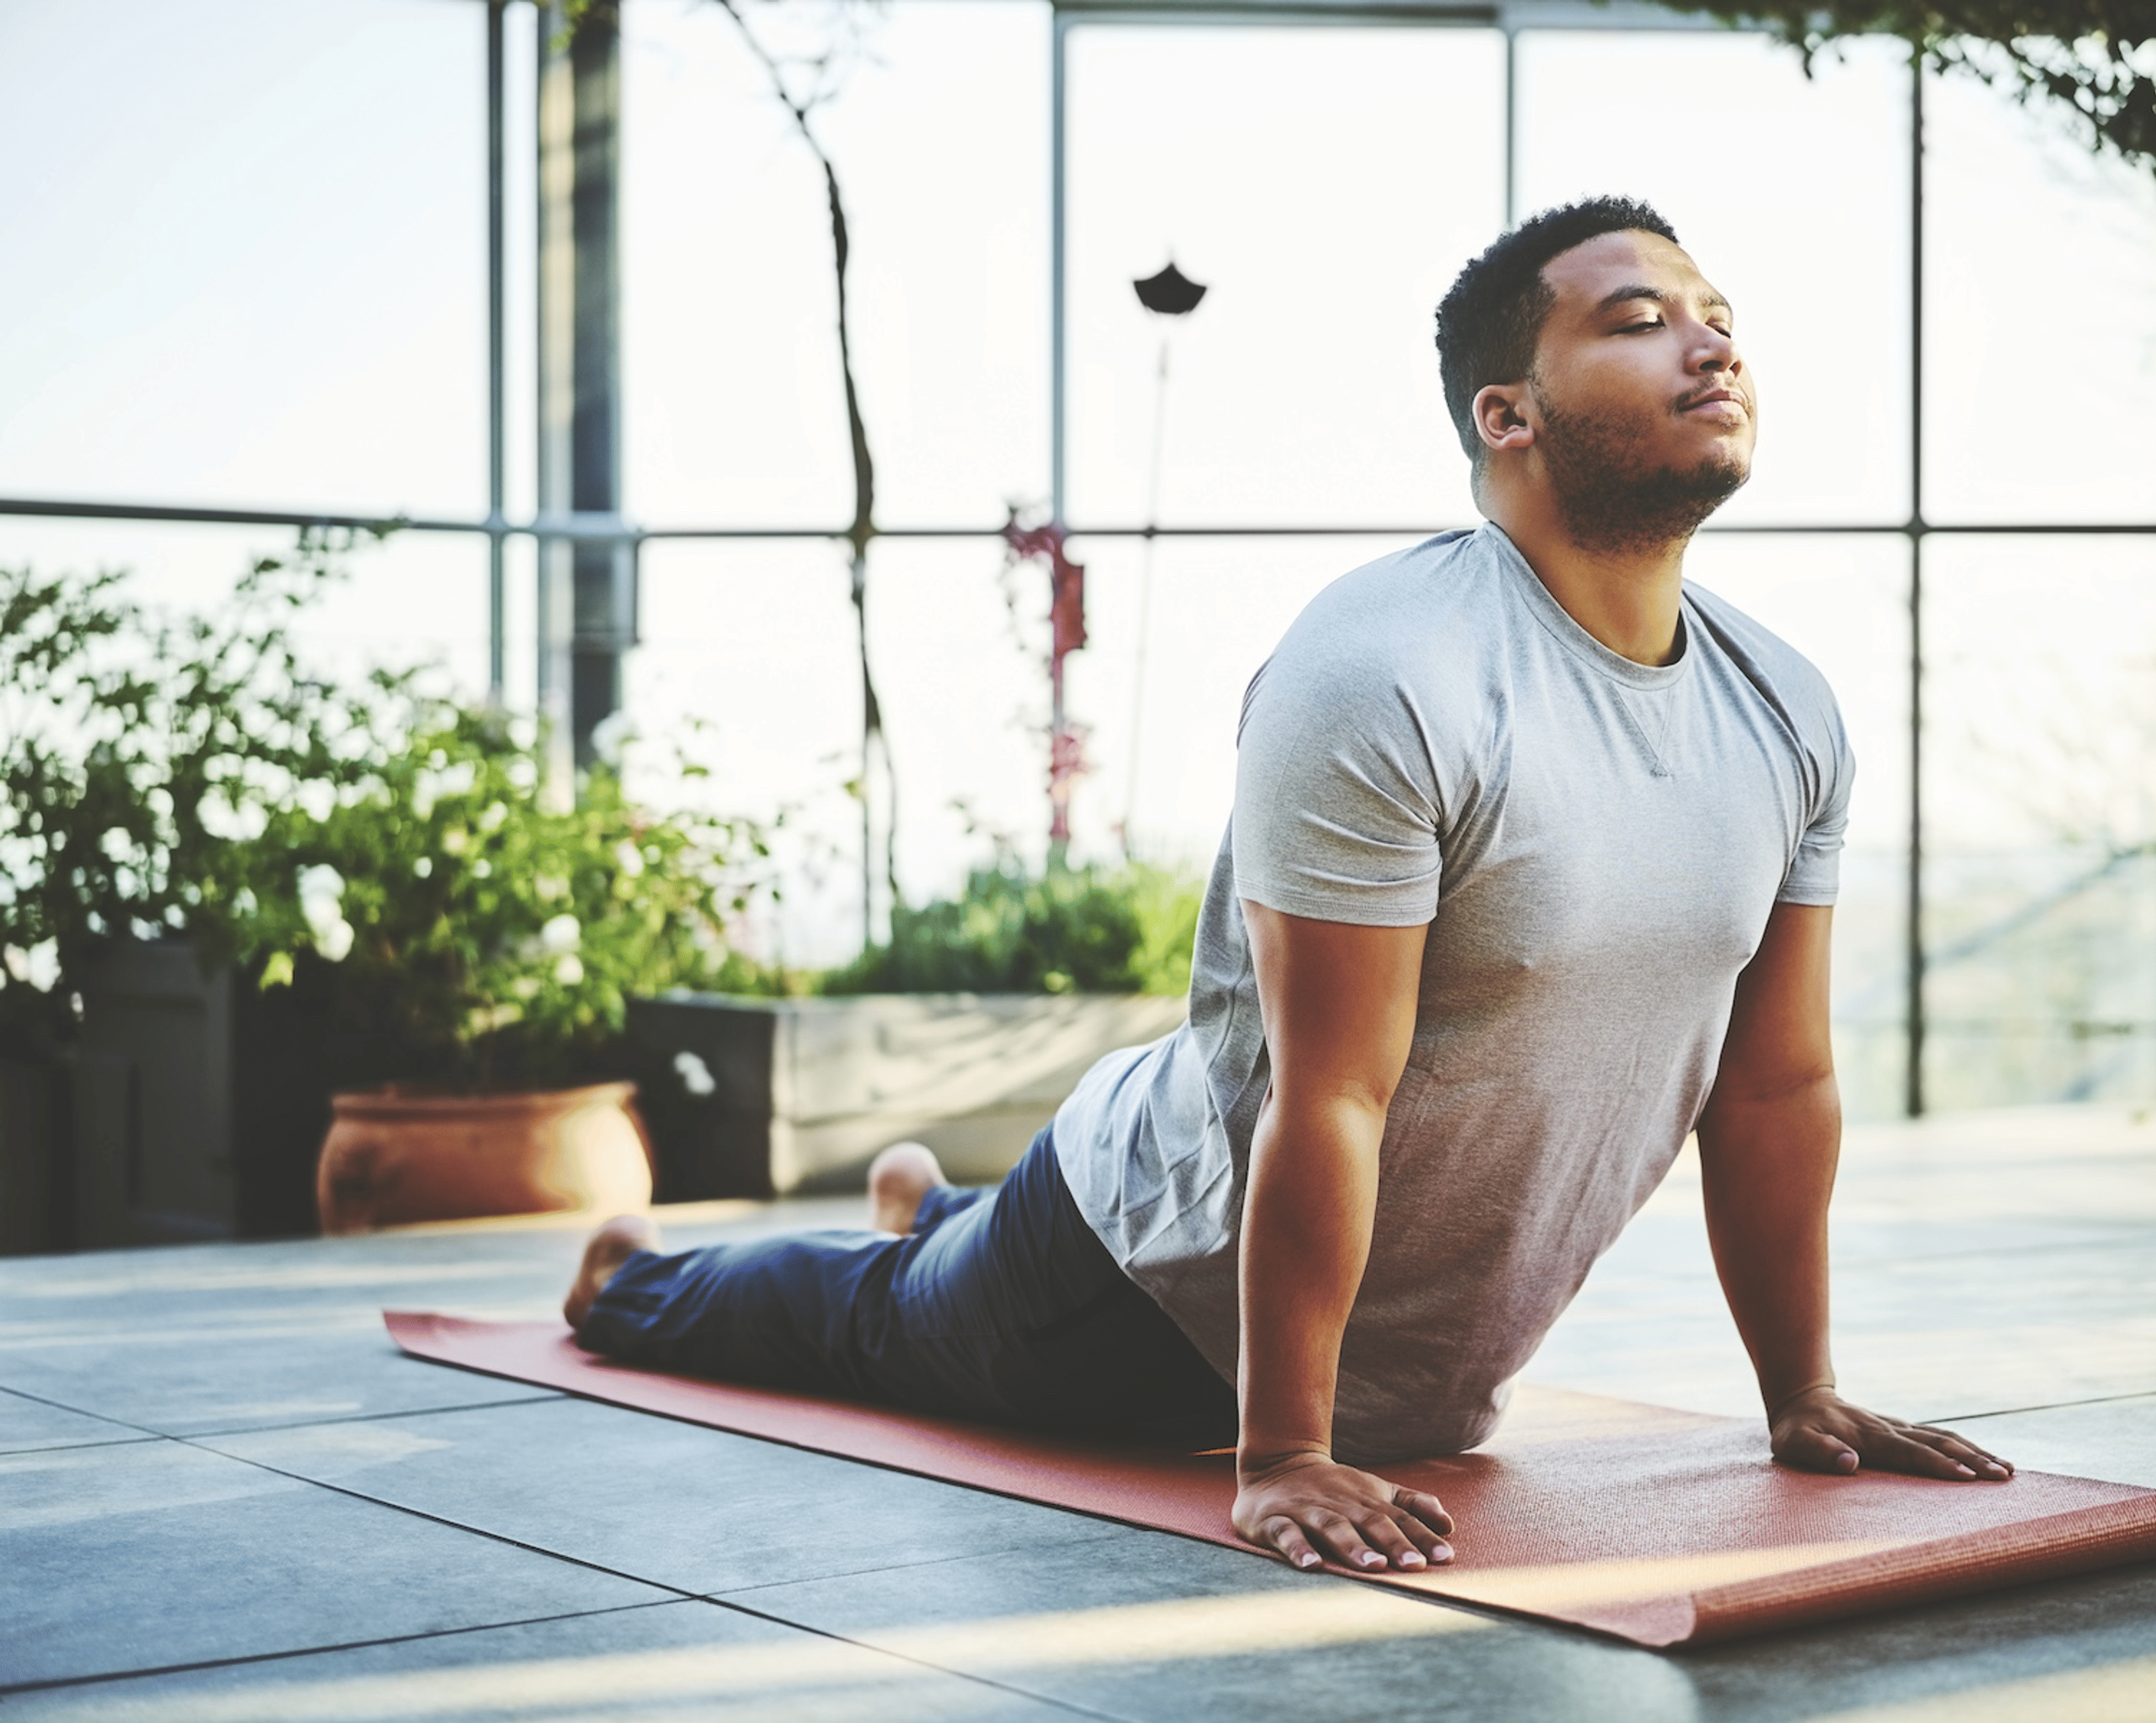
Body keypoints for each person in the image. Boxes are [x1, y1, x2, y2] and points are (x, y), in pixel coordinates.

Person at [564, 194, 2013, 1579]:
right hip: (1145, 1286)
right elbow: (1330, 1090)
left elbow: (1772, 1087)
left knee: (932, 1269)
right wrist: (1283, 1451)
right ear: (1506, 414)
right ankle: (638, 1276)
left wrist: (1802, 1393)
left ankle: (930, 1207)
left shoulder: (1784, 705)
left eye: (1720, 315)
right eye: (1639, 320)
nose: (1713, 346)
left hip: (1400, 1356)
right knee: (879, 1325)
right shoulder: (1385, 666)